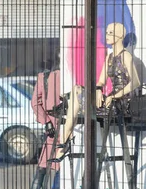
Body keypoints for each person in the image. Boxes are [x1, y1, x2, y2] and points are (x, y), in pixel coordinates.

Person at [51, 22, 141, 162]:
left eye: (110, 33)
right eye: (106, 32)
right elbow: (100, 82)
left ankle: (64, 144)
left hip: (121, 104)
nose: (107, 35)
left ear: (120, 35)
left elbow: (135, 82)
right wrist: (99, 90)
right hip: (109, 101)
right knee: (76, 90)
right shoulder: (110, 58)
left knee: (74, 98)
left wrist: (115, 96)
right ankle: (64, 141)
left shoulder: (126, 56)